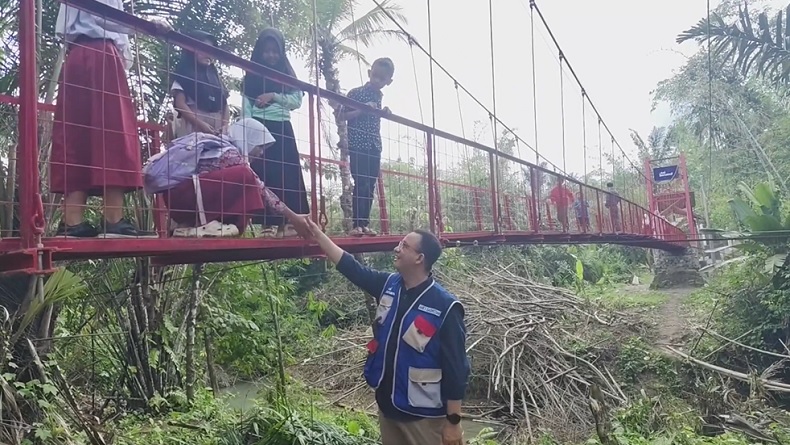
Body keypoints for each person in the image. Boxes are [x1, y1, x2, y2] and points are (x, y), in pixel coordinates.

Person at [304, 218, 469, 445]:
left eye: (404, 246)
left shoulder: (446, 306)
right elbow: (353, 269)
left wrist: (453, 421)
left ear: (420, 258)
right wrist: (319, 236)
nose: (396, 248)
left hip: (424, 417)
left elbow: (457, 368)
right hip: (388, 408)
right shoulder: (389, 285)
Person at [51, 0, 170, 238]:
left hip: (77, 55)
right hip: (100, 54)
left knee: (77, 135)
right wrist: (145, 26)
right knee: (113, 134)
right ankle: (113, 220)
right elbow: (102, 15)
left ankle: (72, 221)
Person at [161, 119, 309, 238]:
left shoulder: (223, 147)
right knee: (247, 177)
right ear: (249, 139)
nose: (261, 153)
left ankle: (216, 226)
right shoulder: (229, 153)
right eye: (260, 146)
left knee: (247, 181)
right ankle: (210, 225)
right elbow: (261, 189)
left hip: (187, 198)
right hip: (185, 199)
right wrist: (293, 217)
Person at [242, 28, 309, 238]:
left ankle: (291, 223)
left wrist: (274, 96)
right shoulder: (251, 76)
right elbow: (246, 107)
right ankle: (267, 224)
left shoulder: (286, 74)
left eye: (275, 51)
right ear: (259, 52)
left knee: (288, 174)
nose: (271, 55)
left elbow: (296, 100)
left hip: (282, 126)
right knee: (264, 173)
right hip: (260, 127)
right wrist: (249, 133)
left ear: (281, 53)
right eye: (267, 51)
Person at [342, 58, 395, 236]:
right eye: (375, 76)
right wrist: (362, 109)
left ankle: (364, 224)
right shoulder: (355, 93)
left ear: (389, 81)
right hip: (358, 144)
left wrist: (385, 112)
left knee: (370, 185)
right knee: (361, 183)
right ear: (369, 73)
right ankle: (356, 225)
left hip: (374, 146)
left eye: (382, 78)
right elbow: (342, 116)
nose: (377, 80)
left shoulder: (379, 96)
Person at [171, 30, 229, 138]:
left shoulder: (215, 78)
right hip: (192, 127)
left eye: (211, 51)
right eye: (203, 49)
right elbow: (180, 104)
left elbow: (225, 104)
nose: (208, 54)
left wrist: (225, 126)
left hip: (217, 131)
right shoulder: (184, 73)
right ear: (192, 49)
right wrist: (200, 124)